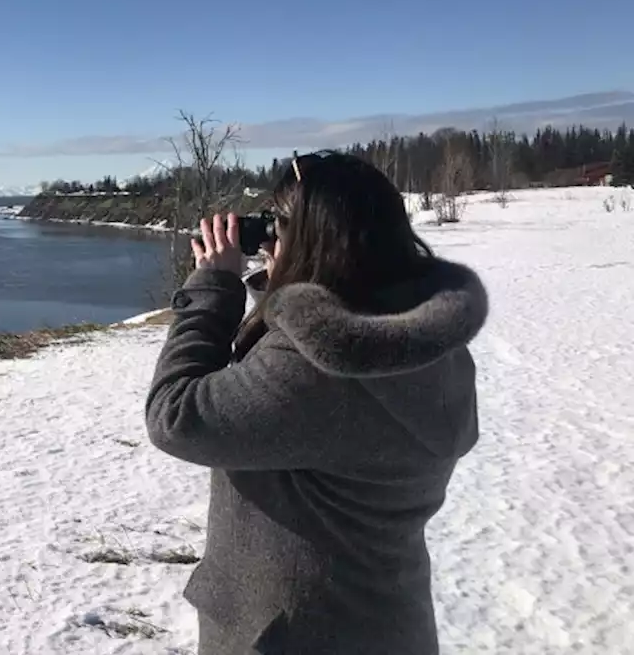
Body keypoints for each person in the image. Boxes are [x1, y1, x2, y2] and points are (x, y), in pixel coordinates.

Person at [145, 151, 487, 655]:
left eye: (278, 230)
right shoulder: (426, 343)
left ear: (308, 240)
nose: (269, 242)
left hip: (287, 633)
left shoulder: (317, 370)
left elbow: (173, 415)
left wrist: (214, 287)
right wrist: (285, 274)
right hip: (385, 622)